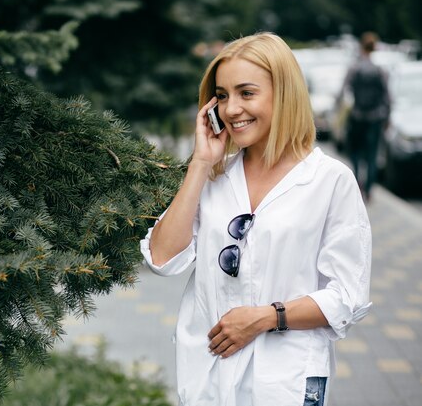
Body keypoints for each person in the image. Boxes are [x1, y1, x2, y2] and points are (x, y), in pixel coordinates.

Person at [140, 32, 372, 406]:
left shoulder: (330, 181)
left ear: (284, 95)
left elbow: (347, 296)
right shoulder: (215, 175)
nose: (231, 109)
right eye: (222, 95)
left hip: (284, 383)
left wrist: (267, 316)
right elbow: (163, 258)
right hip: (207, 379)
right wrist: (200, 164)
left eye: (247, 93)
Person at [341, 31, 391, 202]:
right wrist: (387, 117)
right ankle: (369, 189)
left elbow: (344, 90)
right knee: (372, 154)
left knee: (355, 152)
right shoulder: (379, 69)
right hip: (375, 117)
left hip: (357, 116)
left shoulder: (355, 67)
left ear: (361, 46)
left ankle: (357, 183)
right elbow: (387, 96)